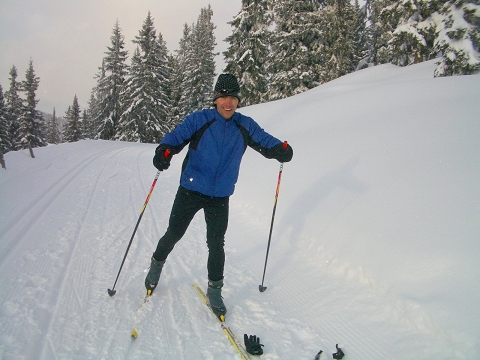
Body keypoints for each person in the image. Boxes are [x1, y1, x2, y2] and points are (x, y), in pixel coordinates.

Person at [145, 74, 293, 317]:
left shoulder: (244, 125)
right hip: (191, 190)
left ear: (238, 101)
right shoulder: (200, 120)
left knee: (216, 244)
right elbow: (176, 137)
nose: (228, 102)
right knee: (174, 233)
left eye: (233, 98)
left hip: (220, 196)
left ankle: (214, 290)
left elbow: (265, 141)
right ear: (215, 99)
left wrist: (281, 150)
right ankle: (156, 265)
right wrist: (164, 151)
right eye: (223, 97)